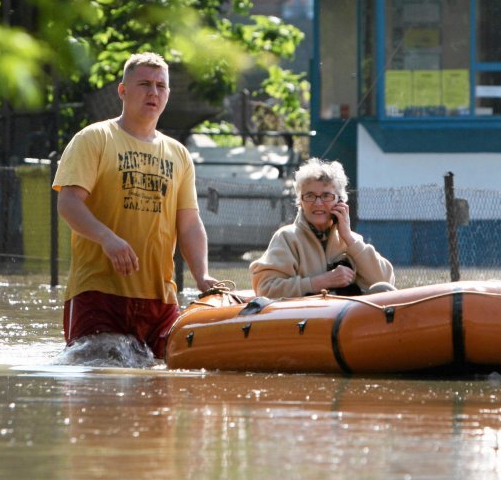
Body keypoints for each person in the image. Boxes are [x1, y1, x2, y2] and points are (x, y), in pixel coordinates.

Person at [53, 51, 219, 359]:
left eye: (161, 86)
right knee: (99, 388)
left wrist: (202, 275)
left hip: (160, 299)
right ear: (123, 91)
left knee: (159, 394)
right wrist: (107, 238)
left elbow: (190, 223)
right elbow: (68, 203)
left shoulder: (179, 154)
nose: (153, 92)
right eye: (144, 84)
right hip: (99, 293)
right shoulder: (95, 138)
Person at [249, 158, 395, 298]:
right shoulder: (287, 238)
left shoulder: (351, 241)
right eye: (310, 196)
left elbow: (386, 283)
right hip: (305, 320)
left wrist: (349, 238)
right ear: (300, 201)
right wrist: (319, 282)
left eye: (326, 196)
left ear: (340, 201)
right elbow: (265, 289)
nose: (318, 203)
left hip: (351, 320)